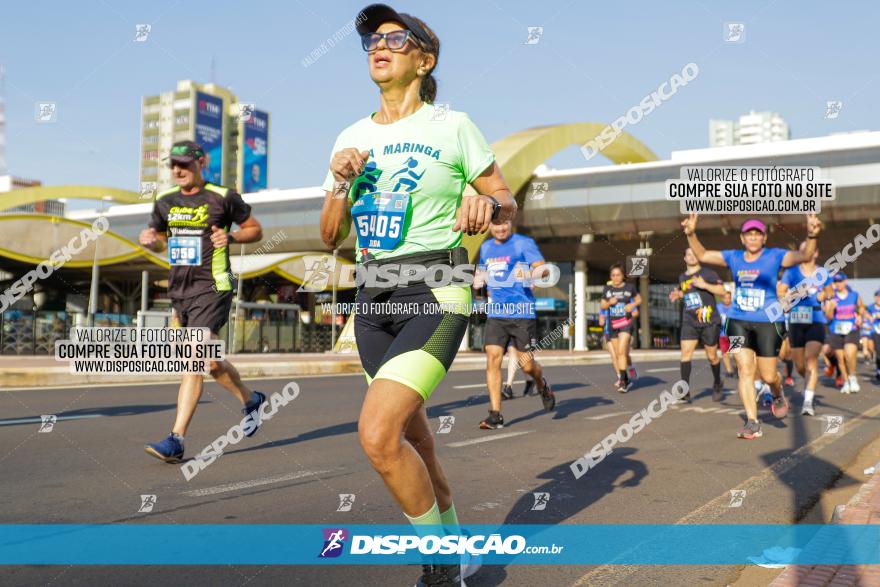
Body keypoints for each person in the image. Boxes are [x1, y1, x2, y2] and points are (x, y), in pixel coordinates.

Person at [319, 5, 518, 585]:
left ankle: (439, 565)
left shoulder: (452, 126)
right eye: (372, 40)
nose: (380, 46)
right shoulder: (350, 137)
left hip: (436, 288)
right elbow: (330, 236)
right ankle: (457, 543)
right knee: (416, 441)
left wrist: (489, 205)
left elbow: (507, 199)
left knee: (378, 435)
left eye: (395, 38)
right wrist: (339, 182)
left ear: (423, 60)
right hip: (372, 297)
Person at [139, 140, 266, 462]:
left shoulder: (223, 197)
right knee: (209, 362)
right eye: (173, 165)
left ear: (201, 163)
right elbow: (160, 242)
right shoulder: (164, 201)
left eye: (184, 164)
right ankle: (251, 400)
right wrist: (150, 241)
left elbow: (255, 229)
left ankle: (176, 439)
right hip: (179, 291)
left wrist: (232, 236)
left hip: (213, 285)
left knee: (193, 359)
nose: (178, 170)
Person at [682, 213, 822, 440]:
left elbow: (804, 255)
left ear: (764, 238)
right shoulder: (734, 257)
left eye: (758, 234)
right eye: (749, 234)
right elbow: (703, 254)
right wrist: (691, 233)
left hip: (768, 323)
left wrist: (812, 234)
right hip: (738, 322)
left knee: (768, 376)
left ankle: (777, 393)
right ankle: (752, 422)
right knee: (744, 369)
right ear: (742, 238)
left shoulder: (775, 256)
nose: (754, 238)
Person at [475, 220, 555, 429]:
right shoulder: (486, 247)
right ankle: (495, 414)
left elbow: (542, 269)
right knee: (493, 358)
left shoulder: (523, 243)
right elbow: (483, 273)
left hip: (522, 312)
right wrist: (482, 285)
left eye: (505, 225)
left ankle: (541, 383)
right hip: (497, 313)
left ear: (511, 224)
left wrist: (529, 275)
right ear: (490, 226)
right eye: (496, 225)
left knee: (527, 365)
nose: (501, 229)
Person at [778, 243, 832, 416]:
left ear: (816, 253)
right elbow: (781, 292)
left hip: (816, 319)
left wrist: (825, 295)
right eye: (802, 250)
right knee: (800, 365)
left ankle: (808, 402)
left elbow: (829, 291)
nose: (806, 252)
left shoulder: (822, 273)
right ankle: (809, 381)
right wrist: (791, 297)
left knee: (811, 360)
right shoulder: (791, 272)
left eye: (809, 249)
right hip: (796, 320)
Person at [667, 247, 726, 402]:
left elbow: (722, 291)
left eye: (694, 254)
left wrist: (705, 285)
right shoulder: (682, 277)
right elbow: (686, 293)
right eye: (688, 254)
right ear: (684, 258)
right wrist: (678, 295)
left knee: (712, 356)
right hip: (689, 320)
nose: (692, 257)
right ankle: (685, 390)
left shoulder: (708, 273)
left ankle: (718, 382)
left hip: (709, 321)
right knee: (685, 353)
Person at [600, 263, 641, 393]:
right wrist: (608, 303)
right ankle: (626, 378)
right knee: (618, 354)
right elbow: (602, 305)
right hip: (613, 325)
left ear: (623, 276)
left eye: (618, 275)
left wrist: (632, 305)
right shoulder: (607, 289)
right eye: (613, 275)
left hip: (626, 323)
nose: (615, 278)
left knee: (622, 352)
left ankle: (623, 381)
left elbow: (639, 299)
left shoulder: (630, 287)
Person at [824, 273, 864, 393]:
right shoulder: (831, 298)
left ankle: (852, 377)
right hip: (835, 330)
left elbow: (861, 307)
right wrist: (831, 308)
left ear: (845, 281)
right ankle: (846, 382)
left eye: (840, 281)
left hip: (852, 328)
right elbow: (828, 317)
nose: (838, 284)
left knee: (849, 354)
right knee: (840, 359)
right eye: (835, 282)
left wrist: (860, 316)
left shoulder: (854, 295)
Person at [717, 288, 736, 378]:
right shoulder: (718, 307)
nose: (727, 300)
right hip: (723, 334)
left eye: (729, 298)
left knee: (737, 353)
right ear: (722, 298)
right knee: (725, 353)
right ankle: (729, 370)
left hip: (735, 334)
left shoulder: (735, 307)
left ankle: (739, 368)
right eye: (725, 298)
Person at [865, 289, 880, 382]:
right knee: (877, 352)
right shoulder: (870, 307)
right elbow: (867, 318)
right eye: (878, 296)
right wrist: (872, 317)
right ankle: (878, 369)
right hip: (875, 331)